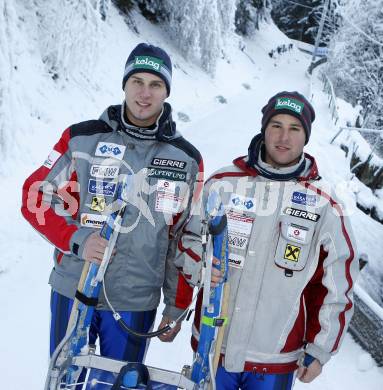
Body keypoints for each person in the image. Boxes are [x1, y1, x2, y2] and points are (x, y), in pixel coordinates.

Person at [22, 43, 203, 368]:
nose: (144, 93)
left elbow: (184, 238)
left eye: (155, 84)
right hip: (74, 287)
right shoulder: (81, 139)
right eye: (137, 81)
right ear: (124, 84)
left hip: (135, 299)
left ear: (166, 92)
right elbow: (34, 195)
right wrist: (77, 240)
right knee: (64, 380)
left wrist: (176, 307)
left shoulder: (186, 160)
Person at [192, 91, 358, 389]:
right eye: (276, 125)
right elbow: (189, 242)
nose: (284, 136)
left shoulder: (324, 204)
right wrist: (202, 266)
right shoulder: (223, 184)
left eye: (294, 128)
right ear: (263, 129)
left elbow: (339, 282)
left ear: (306, 136)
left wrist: (320, 349)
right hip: (213, 344)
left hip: (276, 359)